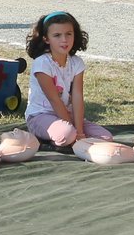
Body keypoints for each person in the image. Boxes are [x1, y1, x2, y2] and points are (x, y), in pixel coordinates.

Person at [23, 10, 111, 149]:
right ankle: (49, 139)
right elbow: (54, 99)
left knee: (105, 138)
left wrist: (80, 131)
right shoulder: (42, 64)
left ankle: (68, 139)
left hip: (67, 115)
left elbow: (77, 97)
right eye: (57, 35)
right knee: (67, 134)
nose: (64, 40)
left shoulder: (77, 63)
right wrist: (75, 131)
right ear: (46, 39)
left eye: (68, 34)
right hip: (41, 115)